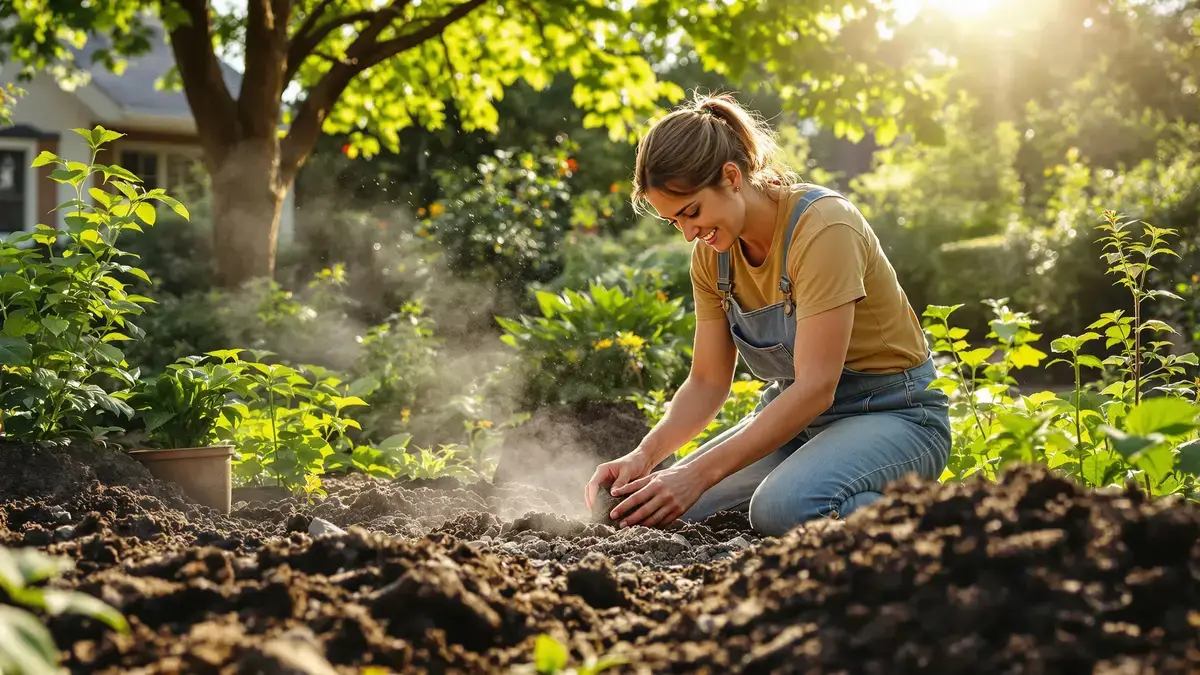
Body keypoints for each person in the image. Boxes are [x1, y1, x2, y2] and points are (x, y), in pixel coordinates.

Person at [583, 93, 952, 537]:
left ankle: (929, 531)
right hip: (797, 426)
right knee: (661, 514)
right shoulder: (712, 256)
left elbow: (816, 387)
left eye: (692, 212)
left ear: (732, 177)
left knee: (781, 510)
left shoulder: (823, 228)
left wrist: (698, 473)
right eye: (673, 222)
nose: (688, 234)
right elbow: (706, 383)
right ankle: (848, 503)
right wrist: (645, 455)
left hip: (896, 416)